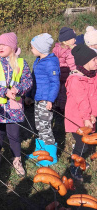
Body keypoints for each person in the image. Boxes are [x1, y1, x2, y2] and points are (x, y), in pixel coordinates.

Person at [0, 32, 32, 175]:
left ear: (12, 47)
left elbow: (28, 81)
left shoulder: (21, 63)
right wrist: (4, 91)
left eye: (4, 44)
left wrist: (19, 89)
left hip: (14, 108)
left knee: (14, 135)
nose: (0, 47)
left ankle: (17, 160)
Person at [27, 33, 60, 166]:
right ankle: (41, 150)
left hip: (46, 101)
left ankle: (51, 155)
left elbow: (55, 83)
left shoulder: (51, 63)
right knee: (39, 126)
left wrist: (50, 100)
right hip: (37, 99)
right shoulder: (38, 60)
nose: (31, 49)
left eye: (33, 47)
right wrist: (29, 95)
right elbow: (33, 81)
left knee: (46, 127)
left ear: (40, 48)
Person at [66, 44, 97, 181]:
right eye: (94, 60)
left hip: (91, 116)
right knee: (82, 144)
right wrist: (87, 118)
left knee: (90, 142)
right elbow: (82, 101)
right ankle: (75, 166)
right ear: (85, 62)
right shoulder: (76, 80)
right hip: (78, 118)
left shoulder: (93, 76)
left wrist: (93, 114)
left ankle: (81, 160)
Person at [52, 27, 77, 113]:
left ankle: (56, 105)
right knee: (65, 92)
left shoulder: (56, 49)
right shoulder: (69, 52)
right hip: (67, 75)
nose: (75, 40)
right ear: (67, 41)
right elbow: (72, 65)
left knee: (58, 90)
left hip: (58, 73)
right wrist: (76, 72)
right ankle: (63, 108)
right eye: (73, 38)